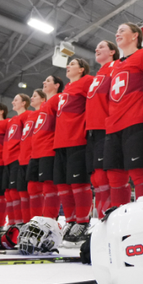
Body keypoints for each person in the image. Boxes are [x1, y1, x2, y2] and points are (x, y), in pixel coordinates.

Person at [105, 23, 143, 207]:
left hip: (137, 121)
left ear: (135, 35)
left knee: (139, 173)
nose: (117, 33)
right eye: (116, 30)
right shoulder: (115, 66)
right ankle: (120, 220)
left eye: (122, 30)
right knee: (115, 176)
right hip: (113, 125)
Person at [54, 58, 94, 244]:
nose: (68, 66)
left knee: (78, 183)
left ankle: (83, 221)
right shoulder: (67, 89)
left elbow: (95, 102)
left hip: (77, 138)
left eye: (72, 63)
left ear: (82, 69)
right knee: (63, 184)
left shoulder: (87, 81)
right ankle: (70, 220)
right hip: (60, 141)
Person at [85, 40, 123, 218]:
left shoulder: (116, 66)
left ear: (112, 52)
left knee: (108, 177)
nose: (96, 49)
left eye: (101, 47)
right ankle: (100, 220)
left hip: (106, 127)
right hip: (93, 129)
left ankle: (116, 216)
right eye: (96, 46)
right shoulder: (99, 73)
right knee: (97, 179)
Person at [31, 76, 65, 219]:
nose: (44, 82)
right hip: (36, 151)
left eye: (48, 81)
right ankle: (35, 220)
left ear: (57, 85)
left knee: (49, 186)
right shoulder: (44, 105)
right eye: (44, 80)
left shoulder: (58, 99)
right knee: (33, 188)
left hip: (48, 148)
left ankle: (49, 220)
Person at [3, 94, 31, 226]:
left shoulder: (27, 115)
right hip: (7, 159)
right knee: (9, 193)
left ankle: (21, 222)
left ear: (24, 103)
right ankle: (12, 222)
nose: (13, 102)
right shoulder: (12, 120)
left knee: (17, 192)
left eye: (16, 100)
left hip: (17, 158)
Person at [19, 90, 46, 221]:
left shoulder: (40, 113)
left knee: (38, 188)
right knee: (28, 191)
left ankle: (41, 219)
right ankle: (28, 221)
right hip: (25, 157)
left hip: (36, 154)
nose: (32, 98)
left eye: (35, 96)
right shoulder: (31, 115)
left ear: (43, 99)